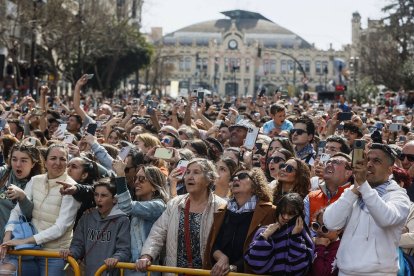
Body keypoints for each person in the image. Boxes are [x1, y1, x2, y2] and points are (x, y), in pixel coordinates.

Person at [324, 143, 410, 275]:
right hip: (344, 271)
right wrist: (354, 190)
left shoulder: (398, 195)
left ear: (390, 170)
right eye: (367, 160)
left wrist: (364, 186)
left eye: (376, 161)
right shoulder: (354, 192)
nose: (369, 164)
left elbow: (386, 219)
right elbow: (330, 222)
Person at [0, 144, 81, 276]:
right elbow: (17, 211)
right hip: (29, 252)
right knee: (5, 272)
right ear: (46, 161)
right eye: (53, 158)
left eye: (63, 159)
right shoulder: (35, 180)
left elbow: (60, 228)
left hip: (54, 254)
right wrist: (7, 235)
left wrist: (24, 241)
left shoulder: (72, 187)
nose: (57, 163)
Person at [136, 158, 226, 273]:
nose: (189, 176)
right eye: (187, 172)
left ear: (209, 179)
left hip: (205, 273)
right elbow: (157, 233)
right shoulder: (175, 203)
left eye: (196, 172)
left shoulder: (220, 206)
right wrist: (147, 255)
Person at [204, 167, 275, 274]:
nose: (236, 178)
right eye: (233, 178)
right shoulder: (222, 211)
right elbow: (214, 245)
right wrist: (222, 258)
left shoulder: (270, 211)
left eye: (242, 176)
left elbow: (269, 249)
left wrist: (235, 267)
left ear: (255, 185)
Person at [60, 178, 131, 276]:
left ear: (114, 199)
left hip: (110, 272)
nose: (98, 199)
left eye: (104, 195)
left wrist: (116, 258)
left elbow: (124, 249)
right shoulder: (87, 216)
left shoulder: (122, 220)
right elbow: (78, 244)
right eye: (96, 194)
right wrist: (71, 252)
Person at [112, 161, 168, 275]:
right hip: (131, 268)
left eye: (142, 179)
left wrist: (120, 174)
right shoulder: (138, 206)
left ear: (154, 186)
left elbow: (126, 205)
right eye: (135, 179)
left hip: (147, 268)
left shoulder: (158, 206)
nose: (137, 182)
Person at [244, 193, 314, 275]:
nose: (286, 217)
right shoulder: (265, 231)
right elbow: (255, 264)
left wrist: (295, 237)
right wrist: (265, 236)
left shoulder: (304, 236)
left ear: (300, 215)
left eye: (291, 214)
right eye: (282, 212)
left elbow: (298, 269)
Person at [0, 142, 44, 241]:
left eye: (23, 161)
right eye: (14, 159)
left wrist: (22, 197)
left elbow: (33, 216)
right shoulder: (3, 174)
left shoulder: (40, 183)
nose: (18, 164)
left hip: (17, 246)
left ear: (33, 163)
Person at [304, 153, 353, 226]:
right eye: (328, 162)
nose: (329, 164)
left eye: (336, 162)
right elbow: (304, 229)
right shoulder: (311, 197)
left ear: (348, 173)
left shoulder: (354, 198)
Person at [309, 208, 342, 276]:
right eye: (316, 226)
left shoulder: (340, 249)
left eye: (325, 228)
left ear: (338, 230)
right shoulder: (313, 242)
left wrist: (320, 247)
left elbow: (321, 273)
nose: (320, 230)